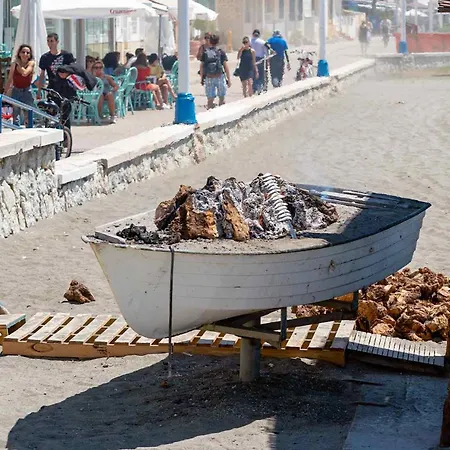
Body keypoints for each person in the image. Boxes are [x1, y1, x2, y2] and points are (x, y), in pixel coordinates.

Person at [37, 33, 75, 100]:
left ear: (57, 42)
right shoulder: (45, 57)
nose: (49, 43)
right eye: (48, 41)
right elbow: (42, 75)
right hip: (53, 88)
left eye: (52, 41)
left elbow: (73, 70)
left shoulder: (67, 55)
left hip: (66, 87)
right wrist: (39, 91)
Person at [4, 44, 35, 125]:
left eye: (27, 53)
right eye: (23, 52)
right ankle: (15, 130)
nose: (25, 54)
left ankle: (29, 130)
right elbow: (10, 79)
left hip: (27, 90)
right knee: (16, 114)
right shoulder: (14, 64)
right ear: (19, 53)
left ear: (30, 55)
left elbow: (25, 73)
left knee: (28, 115)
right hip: (16, 90)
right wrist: (5, 91)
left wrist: (18, 65)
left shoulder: (31, 63)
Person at [200, 34, 231, 110]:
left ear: (209, 41)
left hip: (209, 77)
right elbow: (225, 66)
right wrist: (228, 79)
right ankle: (222, 113)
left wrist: (202, 78)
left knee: (210, 99)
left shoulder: (205, 52)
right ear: (218, 42)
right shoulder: (220, 52)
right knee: (222, 98)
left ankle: (209, 112)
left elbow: (201, 66)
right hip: (219, 76)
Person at [250, 29, 267, 94]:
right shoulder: (262, 42)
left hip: (251, 59)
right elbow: (266, 52)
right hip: (260, 59)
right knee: (260, 73)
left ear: (253, 34)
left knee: (253, 73)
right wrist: (267, 61)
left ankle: (254, 88)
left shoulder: (250, 42)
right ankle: (259, 86)